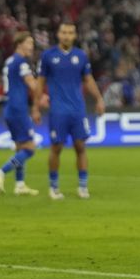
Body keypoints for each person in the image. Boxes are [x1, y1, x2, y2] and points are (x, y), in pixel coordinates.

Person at [32, 22, 105, 200]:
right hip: (58, 110)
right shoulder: (48, 56)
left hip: (78, 110)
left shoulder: (81, 56)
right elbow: (40, 83)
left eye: (70, 32)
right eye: (63, 32)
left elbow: (88, 80)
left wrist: (99, 99)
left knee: (81, 147)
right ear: (58, 34)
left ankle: (83, 186)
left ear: (74, 35)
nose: (66, 35)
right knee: (56, 148)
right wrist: (35, 107)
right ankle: (54, 187)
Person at [0, 31, 40, 196]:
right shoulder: (21, 62)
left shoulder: (9, 61)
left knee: (20, 148)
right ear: (20, 44)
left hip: (9, 108)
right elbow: (32, 85)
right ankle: (1, 172)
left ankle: (20, 184)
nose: (32, 47)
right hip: (18, 109)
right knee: (30, 149)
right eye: (29, 43)